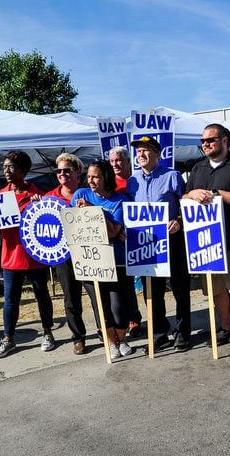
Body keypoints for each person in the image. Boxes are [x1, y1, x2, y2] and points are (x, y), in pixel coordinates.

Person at [0, 151, 57, 358]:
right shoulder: (0, 196)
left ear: (23, 170)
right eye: (4, 167)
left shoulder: (37, 195)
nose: (6, 171)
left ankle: (48, 334)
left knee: (42, 295)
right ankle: (8, 339)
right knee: (10, 300)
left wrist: (41, 206)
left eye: (11, 167)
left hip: (35, 256)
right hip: (10, 257)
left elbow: (48, 224)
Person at [183, 124, 230, 352]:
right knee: (216, 288)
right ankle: (226, 327)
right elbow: (184, 195)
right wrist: (192, 194)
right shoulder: (198, 169)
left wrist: (218, 195)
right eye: (203, 141)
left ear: (225, 140)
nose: (205, 144)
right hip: (207, 241)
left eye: (210, 140)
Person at [126, 135, 191, 353]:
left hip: (172, 240)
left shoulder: (172, 176)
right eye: (138, 151)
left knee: (180, 288)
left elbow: (187, 205)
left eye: (145, 150)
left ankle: (182, 333)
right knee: (152, 291)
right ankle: (159, 333)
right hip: (145, 244)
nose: (140, 154)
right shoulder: (132, 181)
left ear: (157, 154)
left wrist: (179, 221)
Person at [72, 159, 134, 359]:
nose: (91, 181)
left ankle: (122, 338)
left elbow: (115, 231)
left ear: (106, 177)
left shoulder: (120, 200)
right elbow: (76, 225)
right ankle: (111, 342)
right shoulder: (80, 195)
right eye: (88, 176)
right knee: (101, 306)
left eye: (95, 176)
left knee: (119, 308)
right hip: (90, 262)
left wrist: (94, 211)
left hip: (117, 261)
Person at [45, 153, 100, 355]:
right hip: (64, 256)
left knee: (97, 295)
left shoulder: (89, 193)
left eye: (67, 170)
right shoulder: (48, 198)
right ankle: (78, 338)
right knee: (70, 299)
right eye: (59, 171)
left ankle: (104, 330)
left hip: (89, 253)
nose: (62, 174)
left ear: (78, 172)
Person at [108, 145, 143, 338]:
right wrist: (120, 230)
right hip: (119, 239)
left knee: (140, 280)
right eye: (112, 161)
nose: (115, 164)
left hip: (139, 235)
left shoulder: (136, 180)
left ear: (128, 162)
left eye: (119, 160)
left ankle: (140, 319)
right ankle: (129, 319)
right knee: (125, 284)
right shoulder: (110, 183)